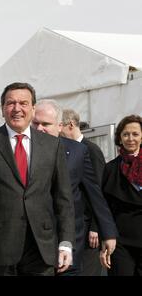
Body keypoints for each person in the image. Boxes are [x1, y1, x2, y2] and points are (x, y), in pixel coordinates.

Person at [0, 82, 75, 276]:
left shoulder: (52, 145)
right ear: (2, 109)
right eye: (11, 103)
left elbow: (64, 199)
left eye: (23, 103)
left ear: (33, 108)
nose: (17, 109)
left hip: (41, 249)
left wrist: (66, 243)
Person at [32, 100, 117, 276]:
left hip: (70, 239)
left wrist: (107, 232)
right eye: (35, 123)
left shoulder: (78, 151)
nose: (40, 128)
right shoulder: (22, 150)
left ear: (59, 126)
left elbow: (94, 193)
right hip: (34, 242)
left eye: (46, 124)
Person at [61, 109, 107, 275]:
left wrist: (96, 225)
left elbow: (99, 190)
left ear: (71, 125)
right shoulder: (68, 150)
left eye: (61, 127)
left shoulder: (90, 150)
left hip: (89, 228)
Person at [101, 114, 142, 275]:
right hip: (119, 243)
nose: (130, 138)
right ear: (119, 138)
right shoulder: (110, 169)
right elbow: (104, 208)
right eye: (125, 134)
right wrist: (105, 238)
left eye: (135, 134)